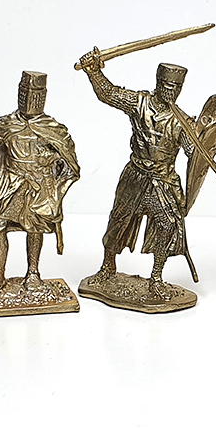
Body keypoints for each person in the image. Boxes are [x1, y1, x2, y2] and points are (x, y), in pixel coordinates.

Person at [78, 51, 196, 299]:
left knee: (167, 225)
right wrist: (93, 72)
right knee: (118, 221)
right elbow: (109, 94)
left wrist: (211, 141)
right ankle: (107, 267)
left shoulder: (182, 121)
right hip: (135, 177)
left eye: (176, 88)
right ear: (158, 83)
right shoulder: (139, 103)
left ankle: (156, 277)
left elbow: (194, 153)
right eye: (167, 86)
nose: (171, 92)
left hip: (162, 182)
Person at [0, 71, 79, 295]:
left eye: (35, 95)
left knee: (35, 229)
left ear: (43, 96)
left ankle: (33, 274)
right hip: (10, 185)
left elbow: (69, 162)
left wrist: (52, 170)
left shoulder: (53, 128)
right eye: (24, 93)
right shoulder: (6, 124)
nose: (28, 99)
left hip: (40, 187)